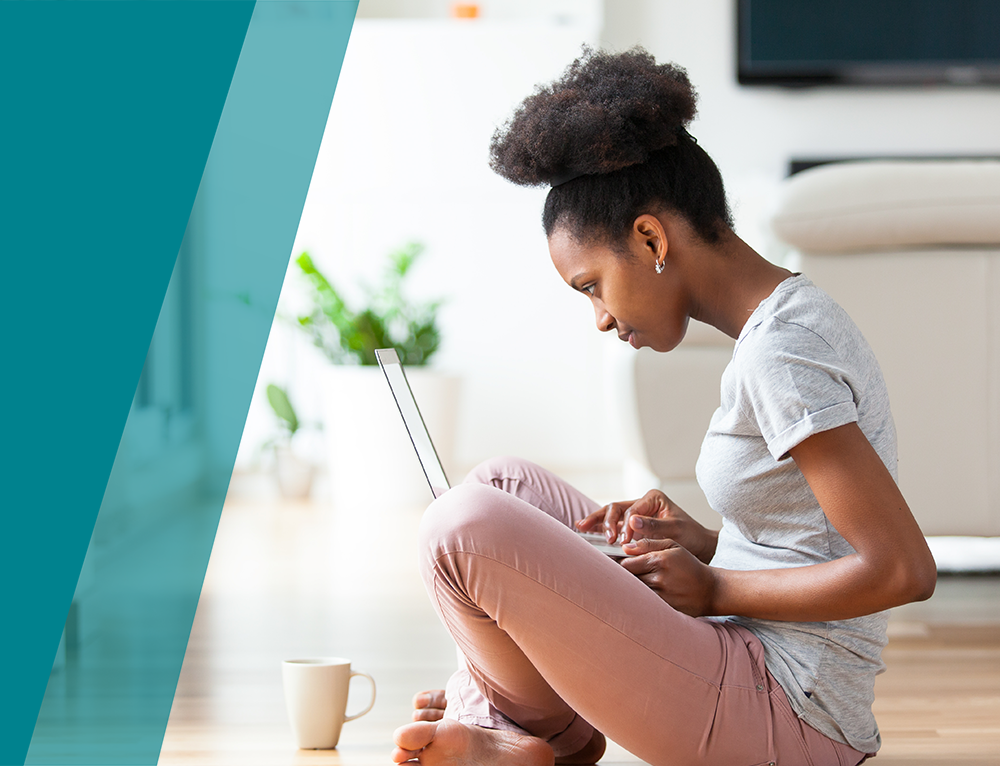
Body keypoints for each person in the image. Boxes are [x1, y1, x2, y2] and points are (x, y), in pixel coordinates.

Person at [390, 47, 937, 766]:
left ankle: (509, 723)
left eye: (591, 286)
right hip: (748, 661)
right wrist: (703, 543)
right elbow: (814, 538)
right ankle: (513, 728)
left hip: (792, 714)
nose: (601, 319)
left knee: (457, 526)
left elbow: (902, 570)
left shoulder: (785, 352)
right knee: (501, 485)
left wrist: (713, 584)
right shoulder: (782, 328)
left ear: (649, 238)